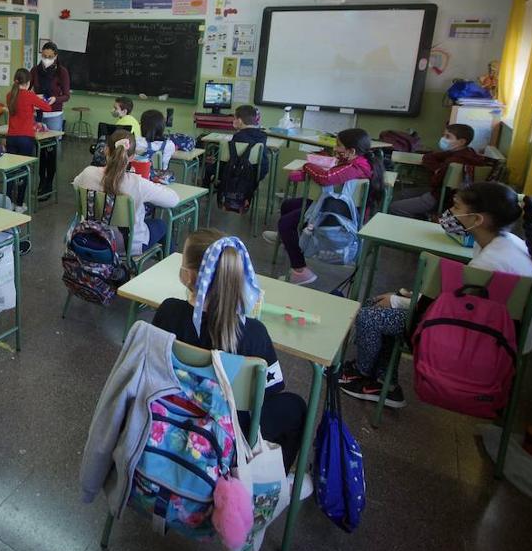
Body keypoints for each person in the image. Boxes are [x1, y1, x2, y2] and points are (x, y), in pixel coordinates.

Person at [340, 182, 532, 408]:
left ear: (477, 219)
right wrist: (406, 298)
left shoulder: (488, 262)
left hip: (480, 337)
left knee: (370, 315)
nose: (449, 213)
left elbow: (448, 308)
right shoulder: (509, 244)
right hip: (498, 331)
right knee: (381, 305)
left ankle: (366, 374)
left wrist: (398, 300)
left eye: (457, 207)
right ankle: (383, 378)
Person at [154, 229, 307, 469]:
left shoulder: (168, 312)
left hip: (173, 413)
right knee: (295, 406)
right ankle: (265, 479)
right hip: (229, 433)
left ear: (187, 276)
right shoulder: (254, 333)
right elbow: (271, 389)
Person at [262, 128, 385, 286]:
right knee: (288, 204)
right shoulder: (356, 162)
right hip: (332, 205)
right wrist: (306, 173)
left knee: (285, 223)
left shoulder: (356, 167)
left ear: (351, 150)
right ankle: (288, 241)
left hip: (338, 215)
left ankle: (300, 270)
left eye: (338, 145)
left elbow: (326, 178)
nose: (335, 149)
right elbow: (329, 174)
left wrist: (307, 166)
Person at [73, 130, 180, 255]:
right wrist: (154, 185)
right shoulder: (138, 183)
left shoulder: (88, 173)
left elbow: (75, 184)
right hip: (128, 245)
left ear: (106, 150)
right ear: (133, 157)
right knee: (161, 225)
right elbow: (174, 200)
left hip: (91, 238)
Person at [389, 123, 491, 219]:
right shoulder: (465, 152)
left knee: (395, 207)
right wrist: (438, 168)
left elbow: (434, 182)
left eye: (448, 136)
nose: (443, 139)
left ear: (461, 142)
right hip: (442, 193)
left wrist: (439, 170)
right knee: (401, 194)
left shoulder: (455, 160)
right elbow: (429, 157)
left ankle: (420, 221)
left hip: (440, 197)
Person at [4, 68, 53, 207]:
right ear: (29, 82)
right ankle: (19, 204)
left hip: (11, 137)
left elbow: (19, 108)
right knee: (23, 170)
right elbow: (47, 108)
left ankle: (8, 203)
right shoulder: (29, 96)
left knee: (10, 170)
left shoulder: (9, 95)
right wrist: (40, 102)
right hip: (26, 138)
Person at [29, 42, 70, 199]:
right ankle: (41, 182)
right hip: (38, 115)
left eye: (50, 57)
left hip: (54, 114)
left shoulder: (62, 72)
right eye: (44, 56)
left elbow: (66, 95)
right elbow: (27, 88)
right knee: (40, 151)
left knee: (50, 151)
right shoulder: (35, 70)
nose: (46, 59)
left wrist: (55, 98)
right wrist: (33, 97)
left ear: (56, 56)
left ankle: (48, 184)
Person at [231, 104, 270, 180]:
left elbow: (232, 157)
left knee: (210, 168)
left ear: (239, 121)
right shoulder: (263, 135)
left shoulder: (238, 136)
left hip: (241, 172)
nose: (233, 121)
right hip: (259, 172)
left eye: (234, 118)